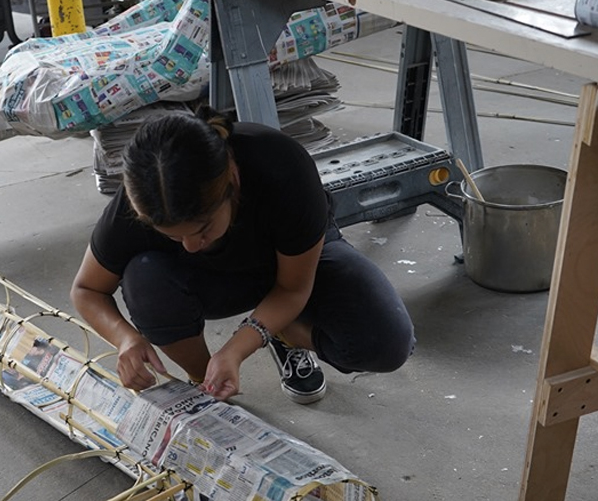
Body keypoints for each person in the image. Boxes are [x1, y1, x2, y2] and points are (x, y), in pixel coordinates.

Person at [70, 106, 415, 403]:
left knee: (385, 343)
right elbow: (86, 290)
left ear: (232, 180)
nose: (190, 245)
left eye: (202, 229)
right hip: (208, 282)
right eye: (174, 237)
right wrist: (125, 338)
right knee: (145, 278)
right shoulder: (143, 199)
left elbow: (293, 289)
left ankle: (285, 332)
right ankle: (206, 381)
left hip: (293, 267)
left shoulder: (282, 167)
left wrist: (236, 348)